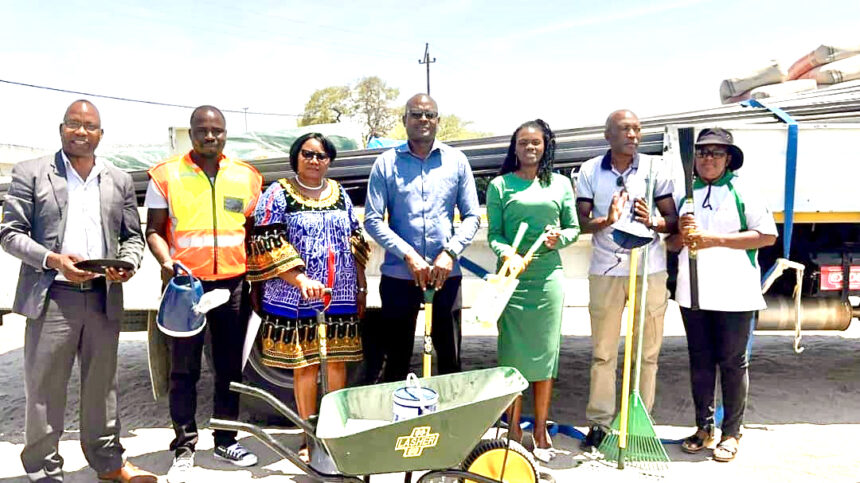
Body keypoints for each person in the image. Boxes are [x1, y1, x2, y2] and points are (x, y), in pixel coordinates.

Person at [0, 100, 155, 482]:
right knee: (46, 387)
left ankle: (108, 463)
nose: (81, 131)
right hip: (54, 294)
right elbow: (9, 233)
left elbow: (132, 236)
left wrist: (129, 264)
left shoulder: (117, 179)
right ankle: (43, 469)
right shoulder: (32, 173)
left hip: (103, 296)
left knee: (103, 386)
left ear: (101, 134)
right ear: (61, 129)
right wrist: (53, 259)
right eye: (74, 124)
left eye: (90, 126)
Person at [145, 105, 263, 481]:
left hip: (232, 286)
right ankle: (183, 447)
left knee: (229, 368)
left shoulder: (246, 177)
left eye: (217, 130)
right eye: (202, 130)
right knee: (183, 369)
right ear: (191, 133)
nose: (210, 136)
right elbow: (154, 230)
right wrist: (167, 262)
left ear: (226, 134)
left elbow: (254, 228)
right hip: (185, 287)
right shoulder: (166, 176)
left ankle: (226, 438)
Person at [247, 132, 369, 460]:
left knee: (337, 363)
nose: (314, 160)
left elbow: (355, 238)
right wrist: (299, 278)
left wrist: (360, 285)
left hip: (338, 293)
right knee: (306, 365)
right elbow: (266, 241)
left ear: (329, 160)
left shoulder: (340, 193)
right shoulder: (278, 193)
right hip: (293, 295)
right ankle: (308, 435)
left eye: (321, 155)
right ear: (296, 157)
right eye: (307, 154)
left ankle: (334, 434)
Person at [668, 128, 777, 462]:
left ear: (729, 158)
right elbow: (672, 243)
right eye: (702, 152)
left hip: (736, 293)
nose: (708, 159)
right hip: (694, 293)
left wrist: (714, 239)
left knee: (732, 362)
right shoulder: (685, 193)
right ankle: (704, 427)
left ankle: (732, 432)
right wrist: (681, 239)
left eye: (716, 153)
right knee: (700, 361)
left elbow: (766, 236)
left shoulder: (744, 190)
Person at [574, 109, 678, 449]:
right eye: (624, 129)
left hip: (650, 268)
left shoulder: (655, 168)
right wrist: (608, 219)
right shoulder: (590, 170)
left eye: (636, 129)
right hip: (607, 270)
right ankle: (600, 423)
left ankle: (638, 422)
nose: (633, 135)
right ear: (608, 135)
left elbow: (672, 220)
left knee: (646, 352)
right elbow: (581, 222)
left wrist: (655, 222)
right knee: (603, 352)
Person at [364, 93, 480, 382]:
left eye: (429, 115)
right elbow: (373, 219)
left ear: (438, 121)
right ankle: (397, 422)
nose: (423, 120)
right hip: (400, 276)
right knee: (396, 359)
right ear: (404, 121)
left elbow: (472, 216)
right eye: (416, 114)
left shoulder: (456, 161)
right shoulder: (386, 163)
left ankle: (451, 420)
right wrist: (409, 255)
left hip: (445, 276)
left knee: (450, 358)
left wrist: (449, 252)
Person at [486, 119, 580, 460]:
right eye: (523, 142)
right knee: (512, 358)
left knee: (544, 357)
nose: (530, 148)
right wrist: (507, 252)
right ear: (515, 147)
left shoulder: (560, 184)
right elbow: (493, 234)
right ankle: (513, 428)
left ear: (546, 146)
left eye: (536, 143)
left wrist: (560, 239)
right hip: (511, 280)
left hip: (547, 280)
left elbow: (573, 228)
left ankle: (540, 429)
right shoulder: (499, 186)